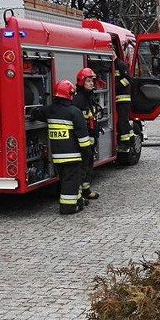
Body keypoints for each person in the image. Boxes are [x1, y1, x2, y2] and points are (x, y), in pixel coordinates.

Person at [31, 80, 92, 215]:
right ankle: (68, 207)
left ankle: (78, 200)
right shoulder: (75, 112)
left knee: (68, 180)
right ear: (70, 94)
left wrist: (33, 112)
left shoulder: (49, 110)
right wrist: (87, 155)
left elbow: (36, 112)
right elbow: (83, 139)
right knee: (71, 180)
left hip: (57, 157)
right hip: (73, 156)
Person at [73, 67, 102, 200]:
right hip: (82, 140)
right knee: (81, 166)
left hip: (90, 138)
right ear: (81, 82)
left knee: (88, 165)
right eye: (88, 81)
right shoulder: (78, 99)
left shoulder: (89, 97)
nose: (91, 83)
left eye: (92, 81)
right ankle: (78, 194)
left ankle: (86, 190)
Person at [114, 51, 135, 148]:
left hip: (123, 99)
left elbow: (128, 79)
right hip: (118, 99)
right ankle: (131, 138)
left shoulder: (121, 64)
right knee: (123, 120)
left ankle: (125, 143)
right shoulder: (112, 64)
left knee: (122, 121)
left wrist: (116, 86)